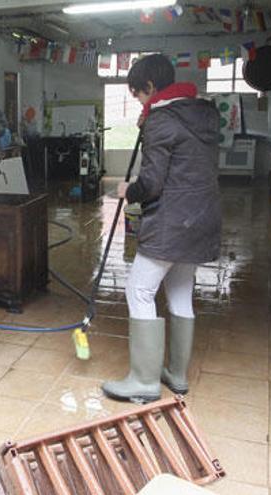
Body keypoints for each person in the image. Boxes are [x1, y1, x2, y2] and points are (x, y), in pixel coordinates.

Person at [102, 54, 221, 404]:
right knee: (180, 290)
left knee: (138, 290)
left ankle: (143, 380)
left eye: (138, 94)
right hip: (203, 217)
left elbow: (152, 184)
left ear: (150, 87)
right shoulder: (204, 114)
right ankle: (177, 374)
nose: (139, 101)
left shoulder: (162, 120)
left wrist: (129, 190)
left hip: (173, 220)